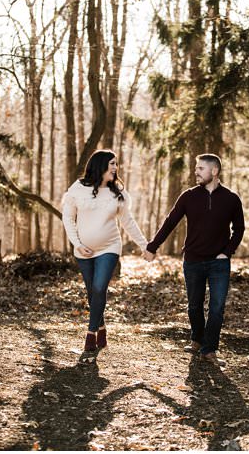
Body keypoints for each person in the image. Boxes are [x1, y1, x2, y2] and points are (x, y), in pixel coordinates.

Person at [145, 154, 245, 360]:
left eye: (200, 168)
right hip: (193, 260)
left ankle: (209, 349)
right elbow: (170, 222)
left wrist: (226, 252)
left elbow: (239, 229)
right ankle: (197, 339)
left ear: (214, 171)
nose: (196, 172)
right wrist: (152, 246)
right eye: (196, 168)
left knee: (217, 307)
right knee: (194, 305)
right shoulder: (188, 196)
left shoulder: (231, 199)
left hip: (219, 263)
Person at [59, 150, 155, 354]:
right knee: (92, 292)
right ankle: (101, 327)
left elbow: (128, 222)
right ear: (100, 165)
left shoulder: (117, 192)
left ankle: (91, 333)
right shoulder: (78, 188)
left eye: (116, 164)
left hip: (110, 247)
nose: (115, 167)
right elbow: (68, 218)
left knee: (100, 288)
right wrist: (76, 244)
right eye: (112, 163)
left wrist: (144, 245)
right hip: (83, 250)